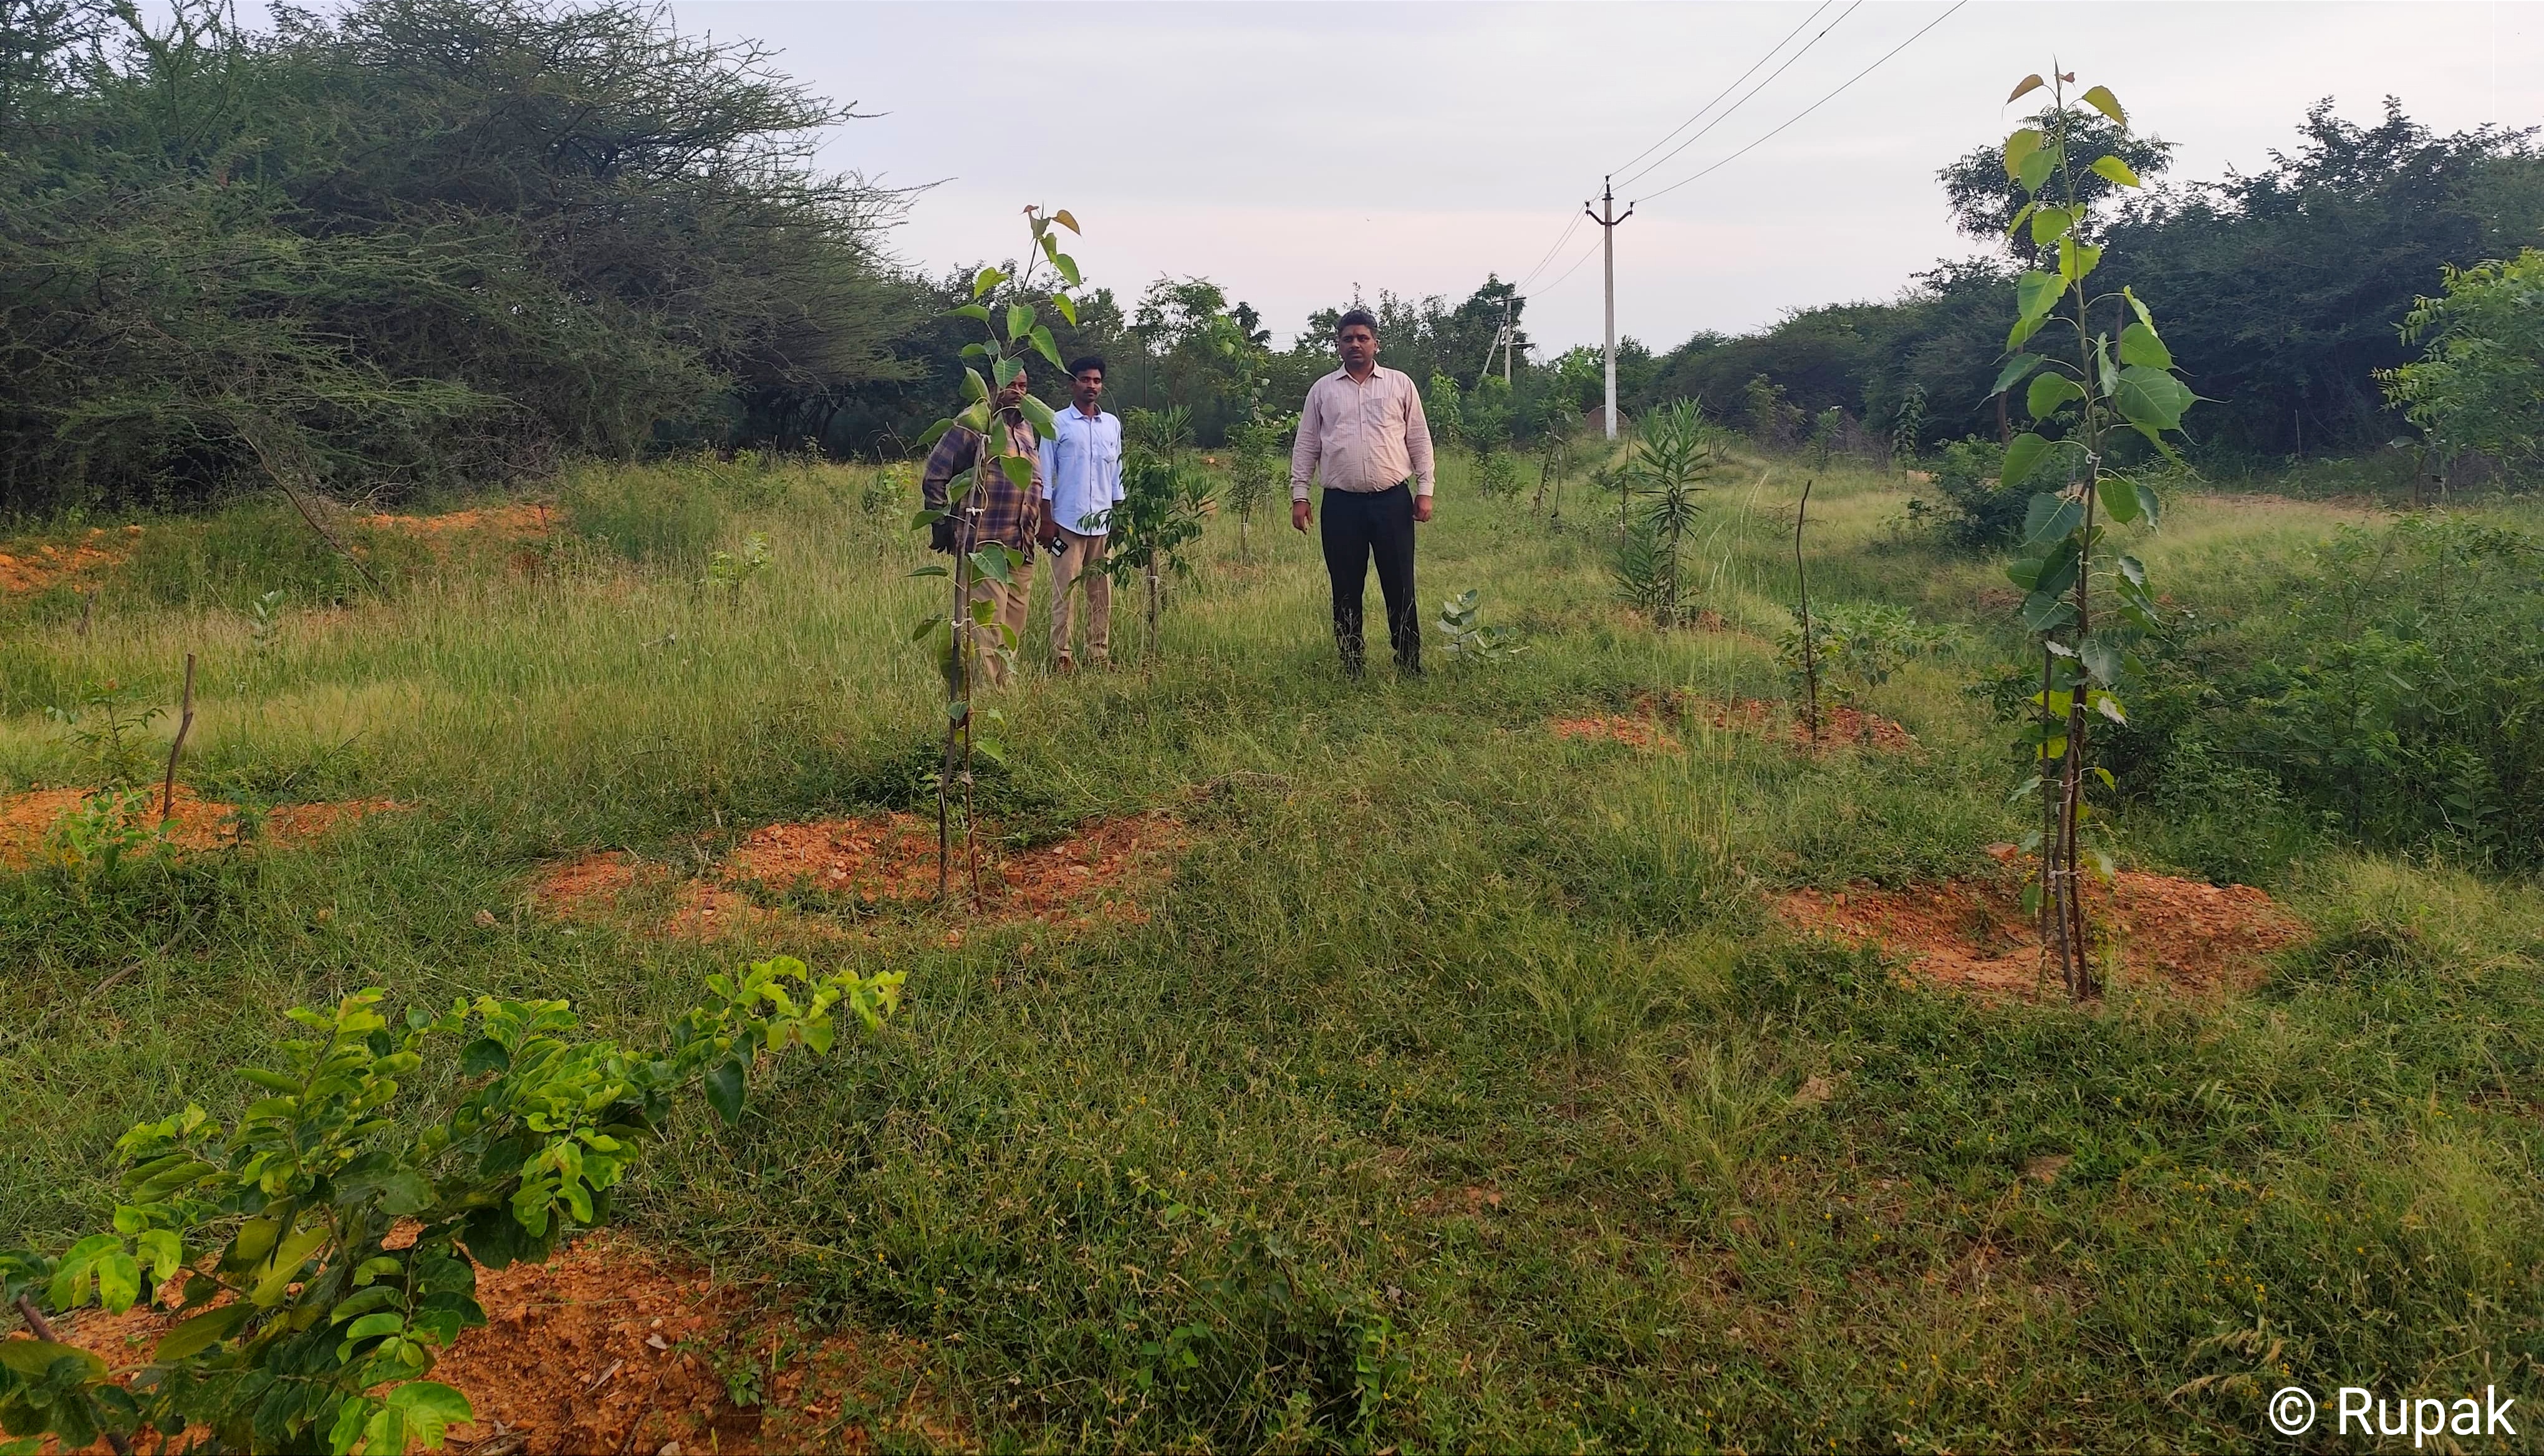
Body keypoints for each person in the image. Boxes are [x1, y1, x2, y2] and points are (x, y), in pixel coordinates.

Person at [1291, 308, 1436, 675]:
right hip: (1341, 506)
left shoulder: (1400, 385)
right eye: (1348, 339)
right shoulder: (1323, 391)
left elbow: (1419, 438)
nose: (1355, 344)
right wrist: (1300, 495)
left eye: (1362, 338)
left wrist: (1425, 489)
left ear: (1376, 344)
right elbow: (1306, 445)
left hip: (1392, 501)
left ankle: (1409, 662)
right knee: (1345, 585)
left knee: (1400, 583)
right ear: (1338, 345)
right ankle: (1351, 663)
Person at [921, 370, 1045, 687]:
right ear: (992, 385)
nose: (1018, 392)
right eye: (1010, 385)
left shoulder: (1026, 427)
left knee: (1012, 623)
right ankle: (985, 693)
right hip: (985, 543)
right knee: (986, 625)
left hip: (1021, 543)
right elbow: (935, 474)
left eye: (1023, 386)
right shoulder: (974, 422)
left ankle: (1007, 689)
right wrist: (942, 523)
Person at [1037, 355, 1123, 671]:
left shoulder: (1111, 425)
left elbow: (1117, 474)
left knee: (1101, 592)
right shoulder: (1055, 423)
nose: (1092, 386)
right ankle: (1062, 655)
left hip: (1103, 522)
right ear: (1072, 384)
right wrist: (1046, 520)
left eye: (1097, 381)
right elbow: (1045, 474)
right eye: (1085, 380)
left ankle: (1098, 653)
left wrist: (1119, 515)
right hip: (1067, 522)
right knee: (1065, 592)